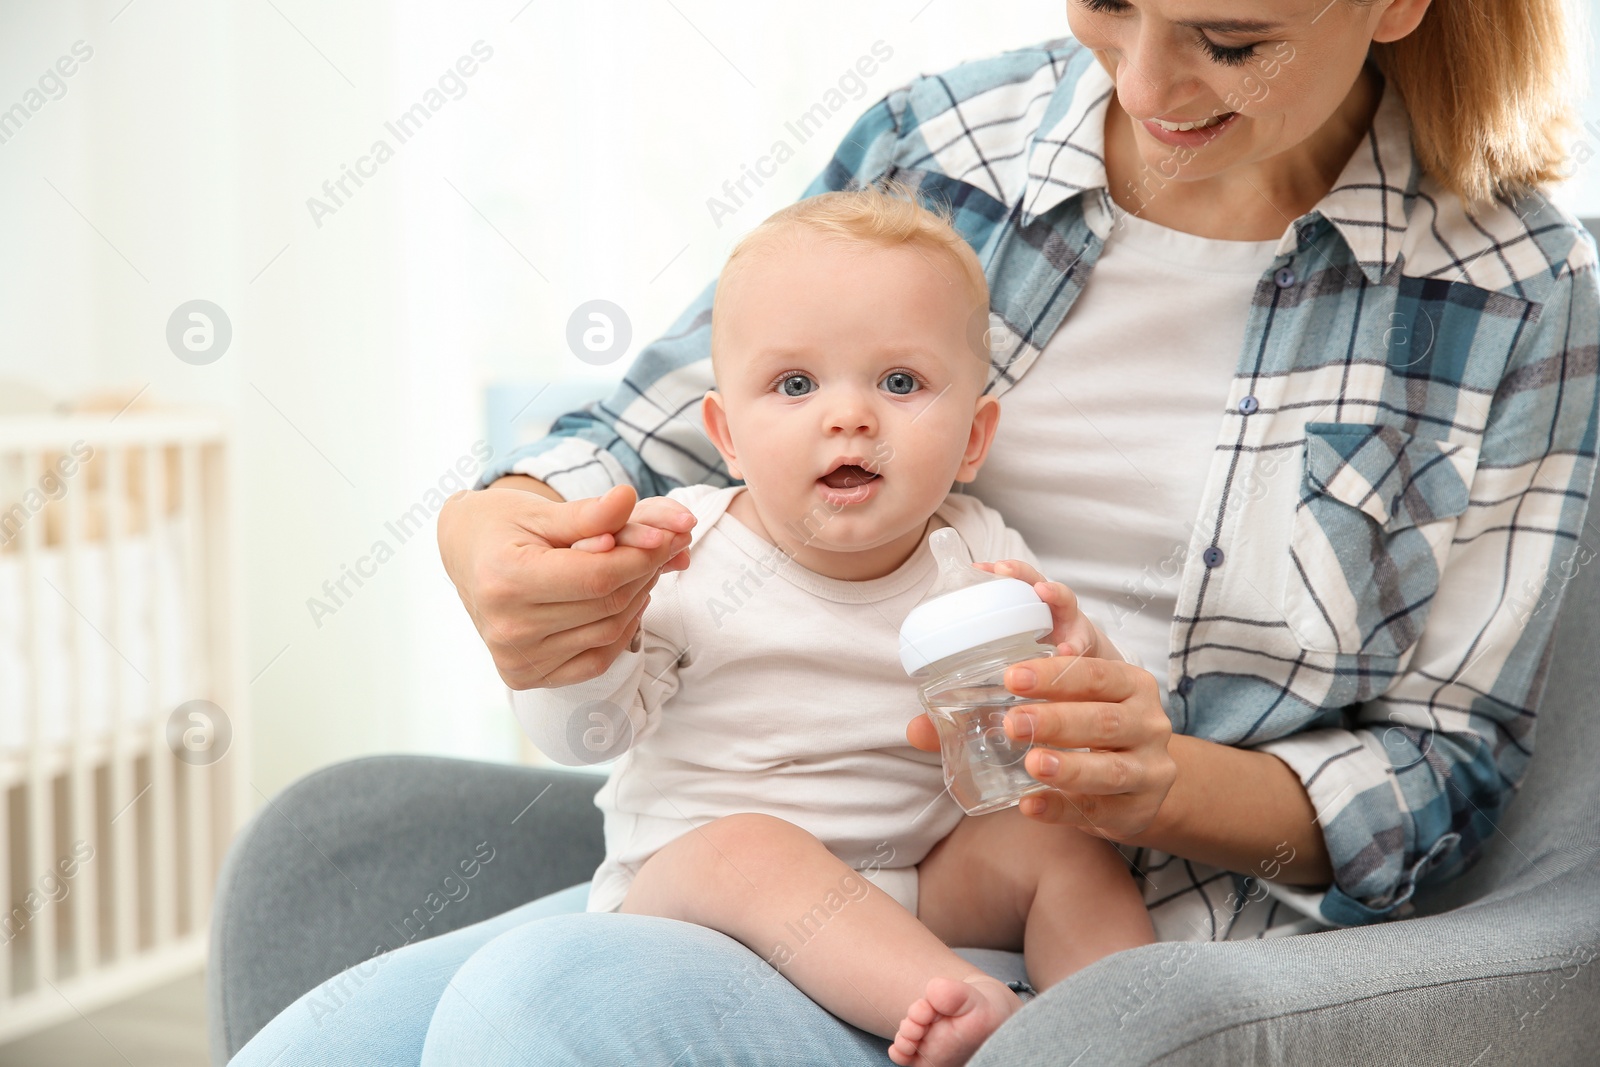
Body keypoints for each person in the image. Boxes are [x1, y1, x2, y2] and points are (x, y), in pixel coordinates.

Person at [230, 0, 1598, 1062]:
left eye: (1231, 40)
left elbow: (1441, 780)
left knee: (540, 1005)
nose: (1143, 85)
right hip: (783, 856)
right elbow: (630, 440)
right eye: (1106, 3)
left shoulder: (1518, 293)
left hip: (1110, 925)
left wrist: (1155, 779)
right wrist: (500, 534)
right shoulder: (943, 144)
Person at [513, 182, 1156, 1067]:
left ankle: (1142, 1032)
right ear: (727, 434)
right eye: (795, 382)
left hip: (914, 884)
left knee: (1055, 838)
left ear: (974, 439)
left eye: (900, 381)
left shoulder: (977, 551)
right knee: (747, 847)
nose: (848, 414)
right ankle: (959, 1001)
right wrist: (590, 640)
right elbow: (579, 734)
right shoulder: (682, 552)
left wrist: (1078, 660)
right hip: (696, 901)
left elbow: (1063, 716)